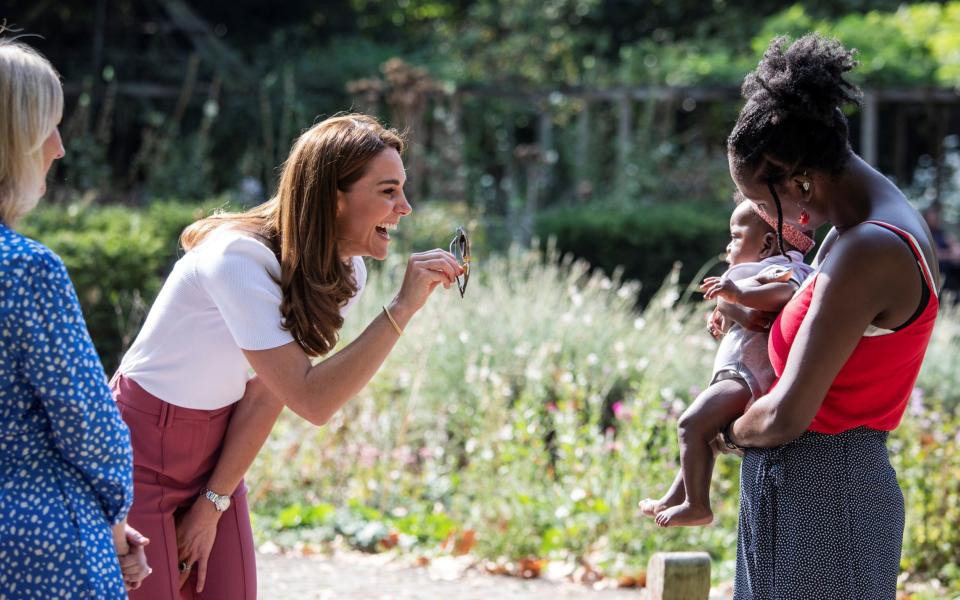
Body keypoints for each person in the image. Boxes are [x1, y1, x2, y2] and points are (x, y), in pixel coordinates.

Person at [112, 113, 465, 599]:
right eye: (387, 191)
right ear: (333, 198)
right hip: (139, 453)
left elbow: (265, 397)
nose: (405, 207)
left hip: (218, 447)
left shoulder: (344, 274)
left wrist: (211, 504)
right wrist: (402, 308)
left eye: (402, 189)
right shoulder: (237, 259)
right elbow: (310, 398)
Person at [723, 34, 940, 599]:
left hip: (822, 503)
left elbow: (786, 418)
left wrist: (722, 430)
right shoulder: (862, 228)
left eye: (764, 203)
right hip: (812, 497)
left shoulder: (869, 248)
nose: (777, 224)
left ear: (795, 177)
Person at [0, 39, 151, 596]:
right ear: (14, 140)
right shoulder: (25, 269)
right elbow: (90, 426)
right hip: (35, 541)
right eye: (49, 128)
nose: (59, 148)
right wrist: (114, 526)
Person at [639, 198, 814, 527]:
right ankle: (678, 496)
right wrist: (726, 310)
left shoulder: (780, 268)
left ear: (766, 244)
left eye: (735, 237)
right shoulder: (752, 274)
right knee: (705, 435)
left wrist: (736, 296)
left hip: (747, 378)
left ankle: (697, 505)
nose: (728, 246)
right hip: (736, 373)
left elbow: (784, 294)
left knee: (691, 424)